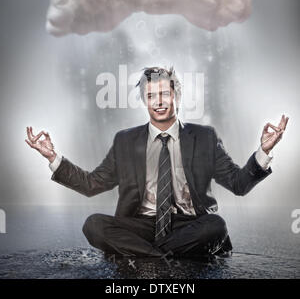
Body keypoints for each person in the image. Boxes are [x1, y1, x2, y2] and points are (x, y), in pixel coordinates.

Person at [25, 66, 289, 259]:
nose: (159, 102)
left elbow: (238, 184)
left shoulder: (204, 137)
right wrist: (52, 157)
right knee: (93, 224)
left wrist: (263, 151)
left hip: (189, 225)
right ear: (145, 101)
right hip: (140, 224)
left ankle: (143, 254)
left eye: (164, 94)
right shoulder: (125, 141)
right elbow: (92, 184)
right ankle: (163, 255)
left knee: (216, 225)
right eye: (151, 96)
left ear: (176, 96)